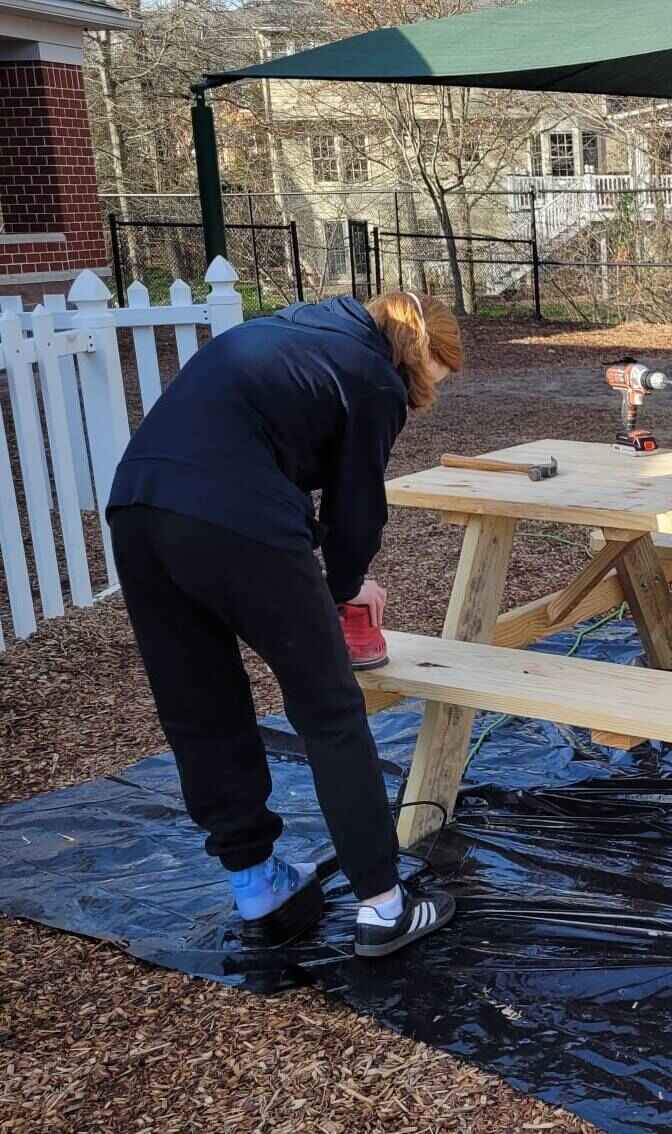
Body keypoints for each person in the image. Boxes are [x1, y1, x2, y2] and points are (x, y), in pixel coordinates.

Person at [108, 290, 464, 954]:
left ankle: (257, 886)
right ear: (417, 358)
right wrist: (344, 588)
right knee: (329, 708)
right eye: (423, 391)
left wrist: (328, 584)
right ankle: (385, 908)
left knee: (200, 703)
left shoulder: (297, 333)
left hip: (138, 505)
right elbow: (358, 513)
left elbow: (261, 460)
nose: (415, 404)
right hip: (233, 513)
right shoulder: (375, 378)